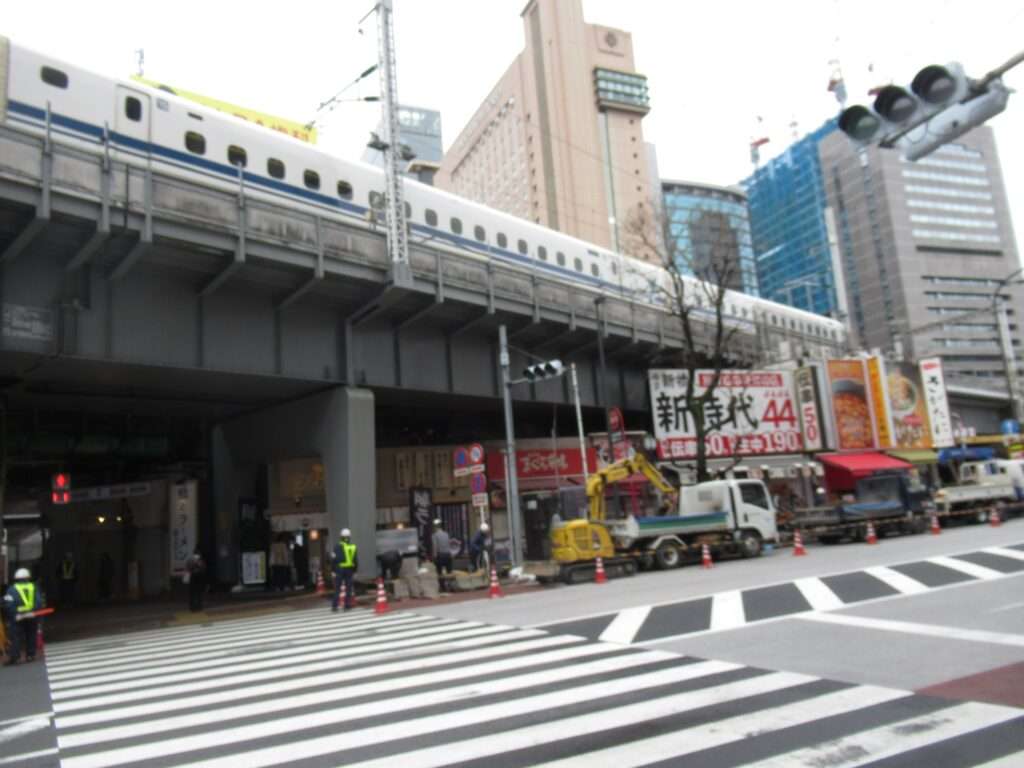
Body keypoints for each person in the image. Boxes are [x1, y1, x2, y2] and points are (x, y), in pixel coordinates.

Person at [3, 568, 44, 666]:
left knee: (16, 636)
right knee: (31, 634)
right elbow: (38, 602)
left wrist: (14, 614)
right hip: (31, 615)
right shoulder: (33, 587)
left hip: (18, 616)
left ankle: (15, 656)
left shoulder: (12, 589)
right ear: (28, 577)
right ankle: (30, 655)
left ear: (16, 578)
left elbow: (8, 604)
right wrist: (33, 611)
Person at [331, 528, 358, 612]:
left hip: (339, 569)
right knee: (348, 588)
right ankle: (347, 606)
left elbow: (333, 559)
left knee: (337, 588)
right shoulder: (353, 547)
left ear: (341, 537)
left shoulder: (337, 546)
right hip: (349, 570)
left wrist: (333, 570)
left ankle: (335, 606)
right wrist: (355, 571)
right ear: (349, 537)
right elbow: (355, 561)